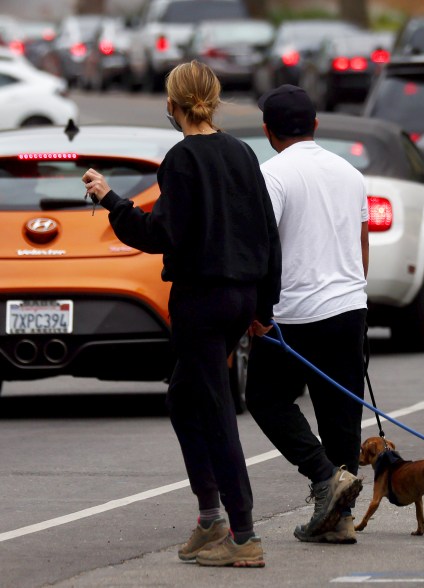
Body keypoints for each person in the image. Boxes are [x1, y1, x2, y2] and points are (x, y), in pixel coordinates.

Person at [82, 61, 281, 567]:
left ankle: (243, 534)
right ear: (211, 100)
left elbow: (159, 234)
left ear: (173, 106)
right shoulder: (242, 153)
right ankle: (211, 516)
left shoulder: (182, 158)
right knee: (183, 399)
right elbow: (267, 232)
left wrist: (110, 201)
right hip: (240, 297)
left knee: (214, 412)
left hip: (201, 300)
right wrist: (264, 306)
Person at [245, 84, 367, 545]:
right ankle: (341, 518)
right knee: (341, 415)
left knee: (265, 397)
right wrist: (357, 296)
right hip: (348, 307)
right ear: (316, 125)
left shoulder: (271, 174)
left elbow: (264, 245)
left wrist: (257, 309)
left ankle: (322, 477)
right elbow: (361, 243)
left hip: (291, 313)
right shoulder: (350, 173)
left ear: (268, 131)